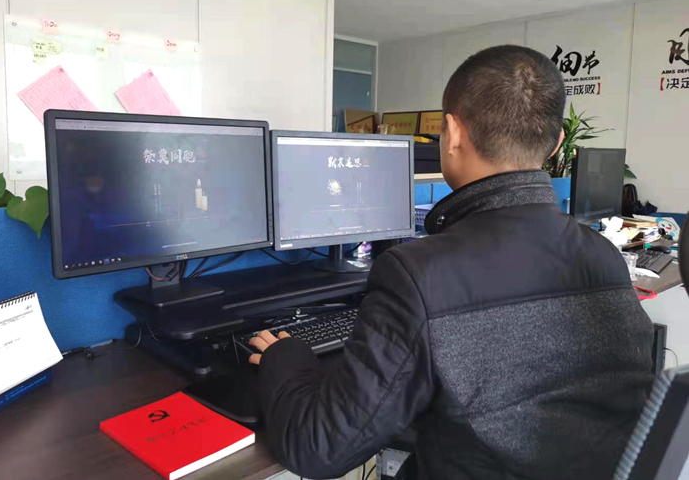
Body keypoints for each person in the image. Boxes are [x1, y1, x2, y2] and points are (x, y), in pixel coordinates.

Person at [248, 45, 655, 480]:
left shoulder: (421, 273)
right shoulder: (602, 254)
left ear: (452, 133)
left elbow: (320, 447)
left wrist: (286, 358)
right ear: (557, 145)